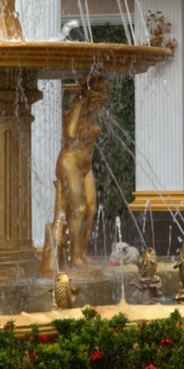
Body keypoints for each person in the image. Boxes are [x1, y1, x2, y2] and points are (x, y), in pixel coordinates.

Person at [44, 78, 109, 272]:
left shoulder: (90, 116)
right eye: (97, 103)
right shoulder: (75, 112)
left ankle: (82, 253)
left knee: (90, 208)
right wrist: (80, 103)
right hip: (69, 163)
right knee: (79, 209)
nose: (99, 107)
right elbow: (71, 134)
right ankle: (74, 257)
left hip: (85, 166)